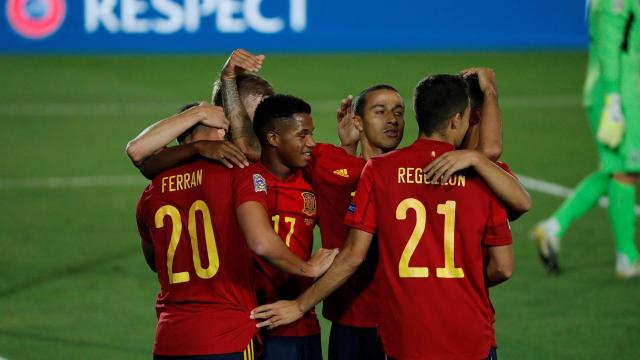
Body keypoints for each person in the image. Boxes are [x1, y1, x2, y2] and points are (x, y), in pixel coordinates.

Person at [250, 74, 514, 360]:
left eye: (399, 112)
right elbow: (264, 148)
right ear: (357, 122)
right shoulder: (335, 162)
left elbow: (354, 252)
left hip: (400, 321)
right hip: (356, 319)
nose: (392, 119)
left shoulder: (405, 170)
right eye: (380, 111)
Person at [135, 103, 337, 359]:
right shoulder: (237, 173)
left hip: (169, 339)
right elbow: (260, 242)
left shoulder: (150, 194)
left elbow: (155, 261)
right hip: (228, 335)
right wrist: (309, 268)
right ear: (221, 132)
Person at [531, 0, 640, 277]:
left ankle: (554, 227)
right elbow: (609, 44)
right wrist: (614, 100)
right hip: (619, 95)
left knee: (616, 171)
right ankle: (627, 258)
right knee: (624, 172)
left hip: (619, 91)